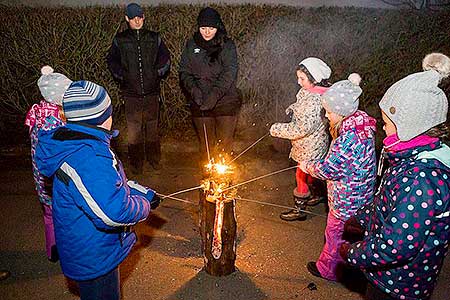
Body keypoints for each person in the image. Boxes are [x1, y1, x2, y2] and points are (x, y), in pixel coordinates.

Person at [35, 80, 162, 300]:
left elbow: (105, 186)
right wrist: (144, 206)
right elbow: (112, 212)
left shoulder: (83, 143)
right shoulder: (88, 157)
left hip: (92, 247)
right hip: (93, 256)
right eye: (109, 112)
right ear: (100, 118)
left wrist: (139, 191)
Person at [339, 53, 450, 300]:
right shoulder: (408, 158)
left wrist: (353, 253)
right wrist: (363, 217)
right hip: (389, 277)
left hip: (399, 285)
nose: (382, 127)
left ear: (408, 126)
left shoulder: (421, 179)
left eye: (386, 122)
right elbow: (390, 202)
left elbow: (395, 245)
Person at [299, 73, 377, 281]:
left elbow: (328, 170)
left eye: (329, 111)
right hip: (362, 195)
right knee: (352, 235)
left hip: (346, 200)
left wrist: (307, 166)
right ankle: (351, 265)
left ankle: (329, 270)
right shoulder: (361, 125)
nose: (326, 115)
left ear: (341, 112)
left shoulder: (347, 140)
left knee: (334, 234)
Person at [107, 2, 171, 174]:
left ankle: (154, 160)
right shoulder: (120, 40)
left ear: (143, 17)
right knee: (134, 130)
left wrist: (157, 72)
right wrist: (123, 76)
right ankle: (136, 163)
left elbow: (165, 58)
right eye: (133, 18)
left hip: (151, 92)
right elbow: (112, 61)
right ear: (127, 19)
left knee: (152, 128)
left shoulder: (154, 37)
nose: (137, 21)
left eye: (139, 17)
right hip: (131, 93)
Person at [270, 57, 332, 221]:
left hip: (309, 145)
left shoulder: (314, 101)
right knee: (313, 170)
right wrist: (293, 108)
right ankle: (317, 194)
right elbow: (302, 107)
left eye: (302, 79)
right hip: (314, 142)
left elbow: (301, 128)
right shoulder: (313, 91)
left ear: (314, 78)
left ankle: (300, 209)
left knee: (301, 174)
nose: (298, 82)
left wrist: (276, 129)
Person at [179, 7, 241, 163]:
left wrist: (214, 95)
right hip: (200, 103)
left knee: (224, 145)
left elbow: (229, 72)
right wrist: (194, 91)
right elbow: (184, 72)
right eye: (203, 28)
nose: (207, 32)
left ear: (217, 27)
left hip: (225, 102)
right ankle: (208, 180)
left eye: (211, 28)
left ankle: (225, 180)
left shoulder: (227, 45)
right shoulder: (191, 45)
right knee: (206, 146)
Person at [24, 65, 71, 262]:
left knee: (49, 214)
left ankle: (52, 249)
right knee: (65, 215)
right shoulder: (56, 122)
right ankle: (68, 249)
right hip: (54, 177)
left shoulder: (39, 112)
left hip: (40, 176)